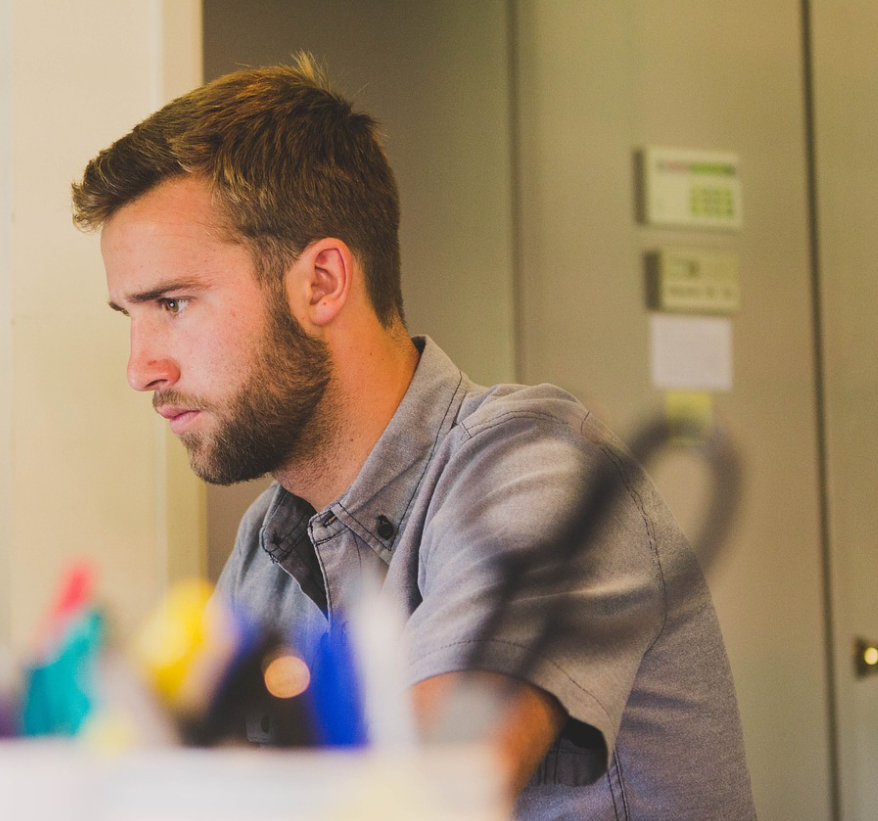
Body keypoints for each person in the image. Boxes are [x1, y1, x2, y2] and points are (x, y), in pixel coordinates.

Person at [72, 56, 756, 818]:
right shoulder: (268, 545)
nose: (141, 368)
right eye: (127, 316)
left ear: (323, 283)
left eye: (171, 303)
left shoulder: (538, 467)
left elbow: (431, 795)